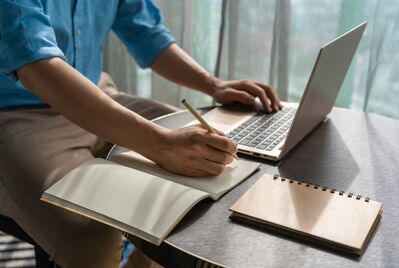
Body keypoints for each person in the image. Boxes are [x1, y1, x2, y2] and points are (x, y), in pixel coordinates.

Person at [0, 0, 282, 267]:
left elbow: (146, 33)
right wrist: (161, 144)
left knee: (211, 156)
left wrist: (214, 85)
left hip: (96, 93)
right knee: (90, 235)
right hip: (18, 114)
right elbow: (36, 65)